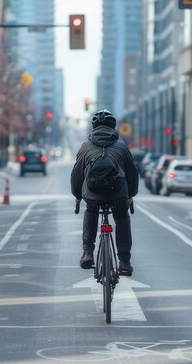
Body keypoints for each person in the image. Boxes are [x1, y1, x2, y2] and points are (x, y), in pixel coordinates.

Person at [70, 109, 139, 275]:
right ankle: (124, 262)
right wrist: (131, 195)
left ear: (94, 127)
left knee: (91, 211)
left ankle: (87, 253)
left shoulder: (86, 147)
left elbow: (76, 174)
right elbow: (132, 173)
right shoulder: (122, 146)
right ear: (113, 126)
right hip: (118, 193)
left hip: (92, 194)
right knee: (122, 217)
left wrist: (78, 196)